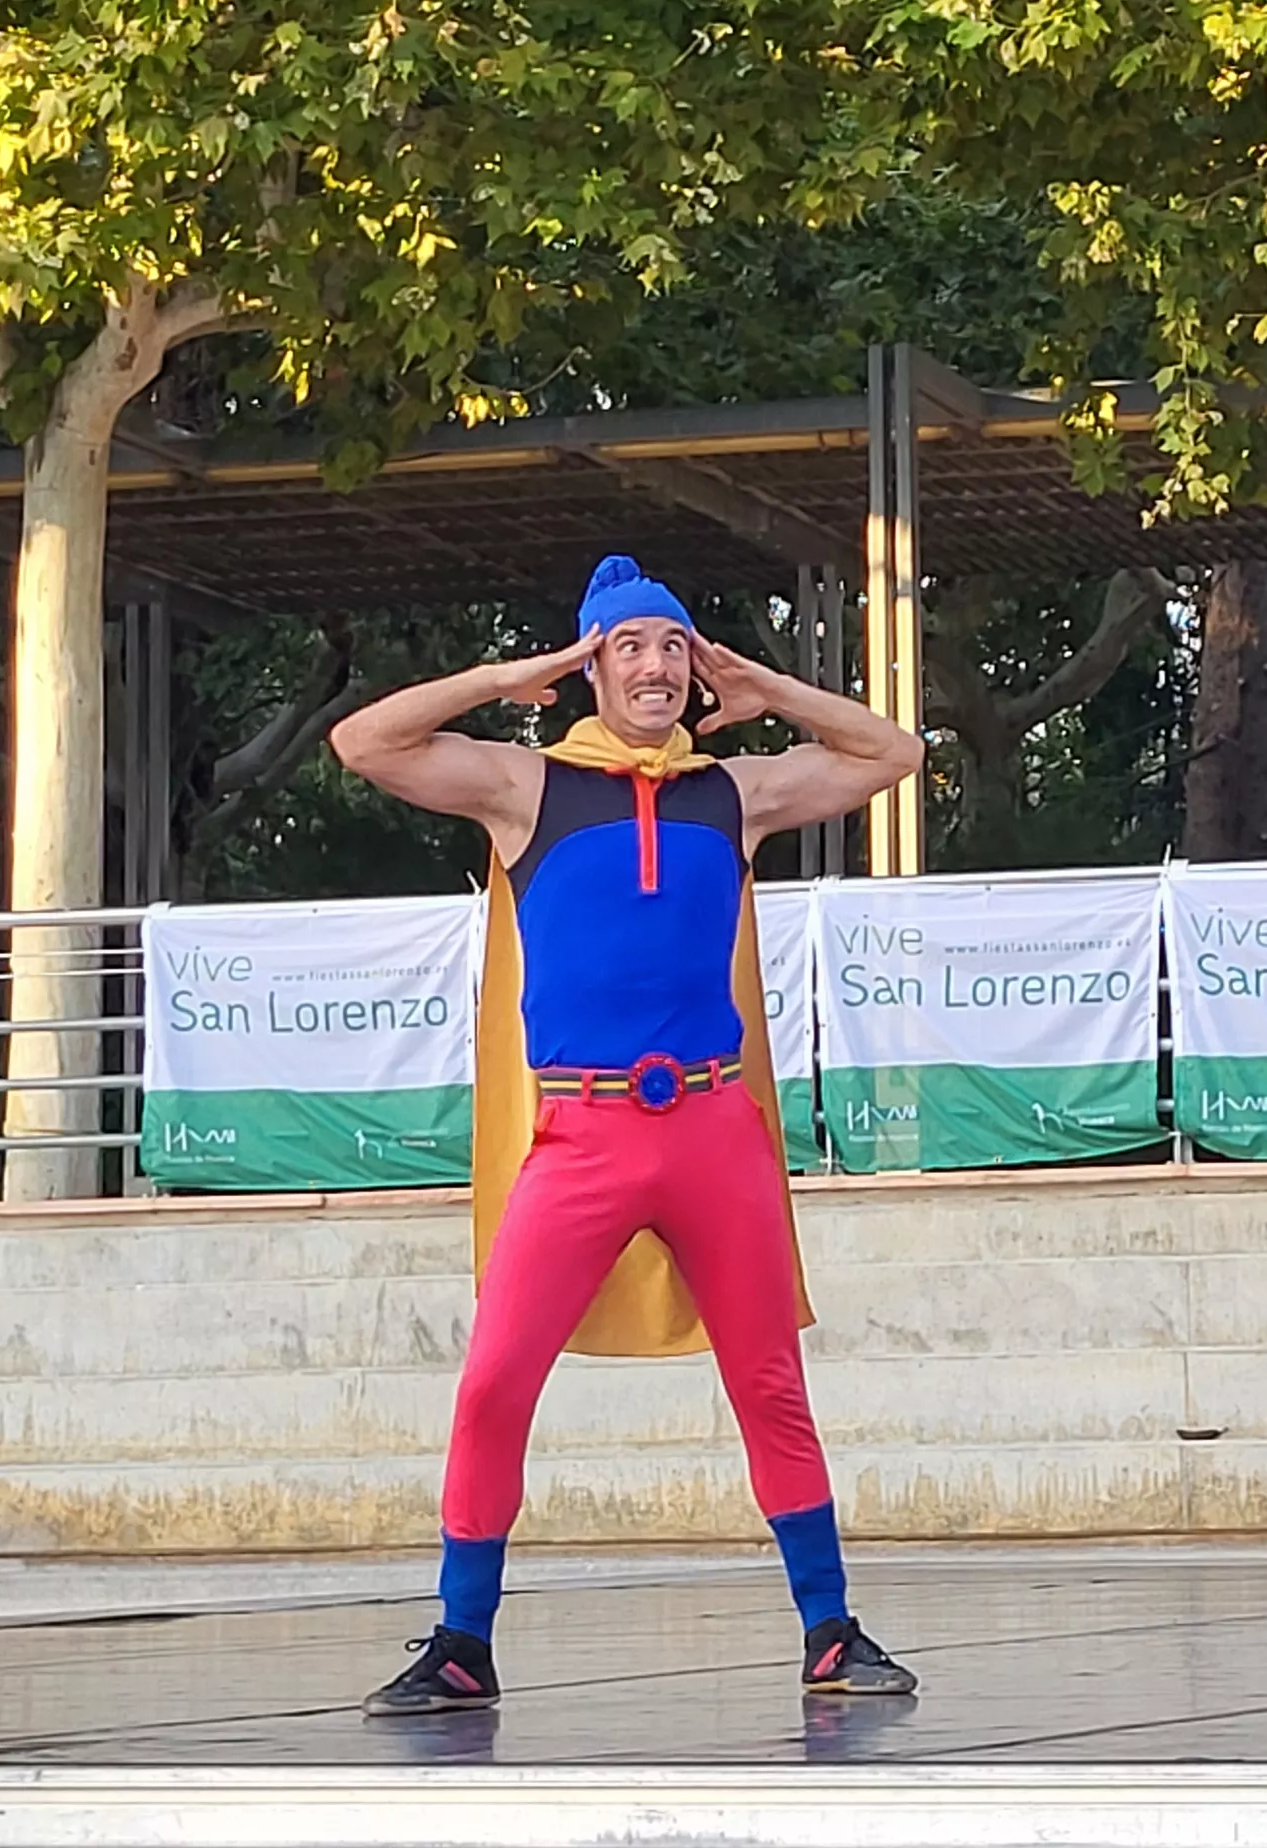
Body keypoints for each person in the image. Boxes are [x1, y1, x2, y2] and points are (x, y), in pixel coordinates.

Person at [330, 556, 927, 1711]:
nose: (654, 667)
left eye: (672, 646)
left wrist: (773, 688)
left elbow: (892, 756)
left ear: (695, 666)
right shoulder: (527, 788)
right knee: (495, 1381)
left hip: (712, 1128)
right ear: (594, 663)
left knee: (769, 1383)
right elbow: (366, 742)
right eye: (629, 647)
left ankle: (831, 1631)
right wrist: (516, 673)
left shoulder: (732, 793)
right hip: (582, 1135)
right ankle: (463, 1640)